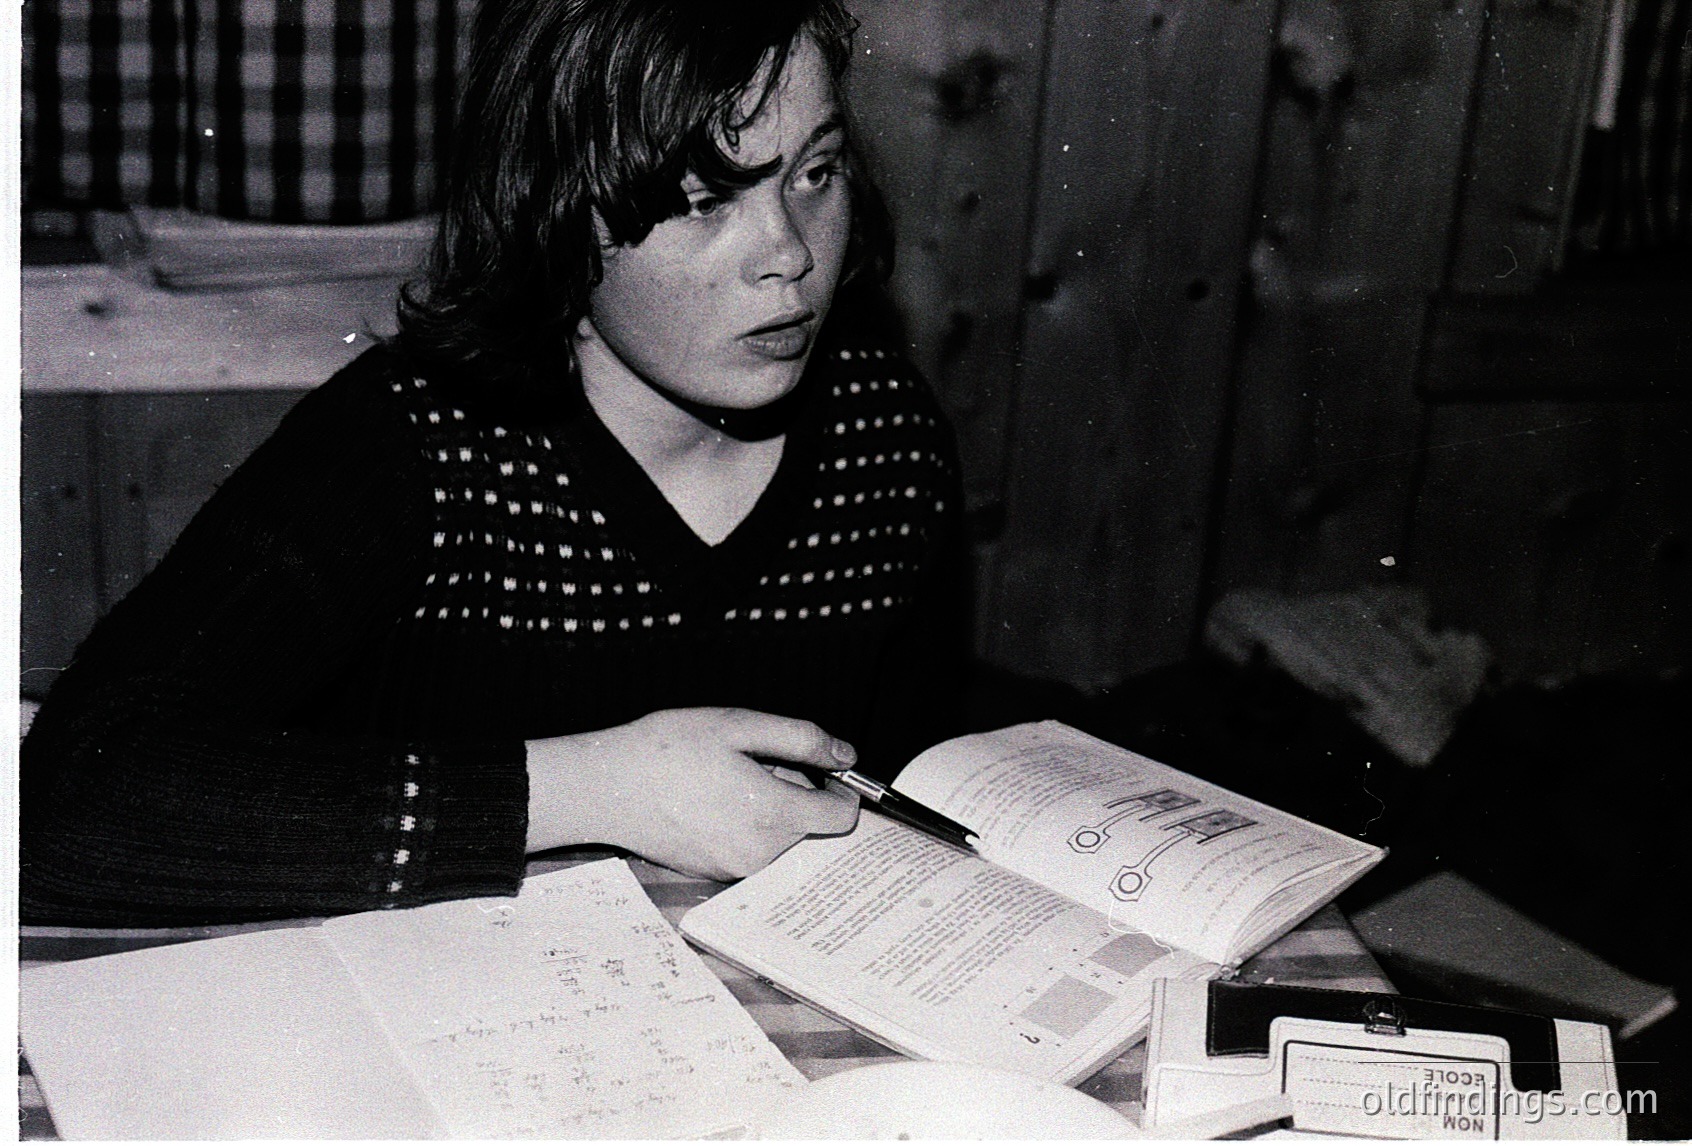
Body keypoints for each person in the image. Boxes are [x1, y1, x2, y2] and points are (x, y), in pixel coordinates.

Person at [21, 0, 967, 926]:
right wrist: (590, 789)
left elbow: (920, 765)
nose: (791, 256)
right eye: (703, 198)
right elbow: (66, 801)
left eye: (815, 173)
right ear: (555, 210)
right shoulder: (410, 445)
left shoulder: (882, 432)